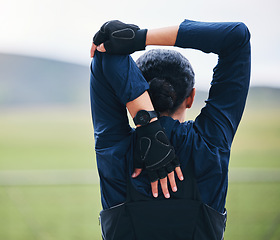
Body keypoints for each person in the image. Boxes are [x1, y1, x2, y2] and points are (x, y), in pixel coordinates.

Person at [90, 19, 251, 240]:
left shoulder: (116, 148)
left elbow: (104, 55)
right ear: (191, 97)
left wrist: (148, 124)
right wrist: (140, 38)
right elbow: (236, 37)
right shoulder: (210, 143)